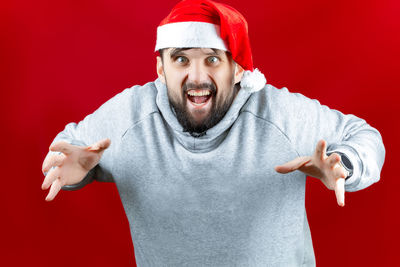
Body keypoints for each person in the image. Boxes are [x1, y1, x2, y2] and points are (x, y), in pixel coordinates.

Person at [41, 0, 385, 266]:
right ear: (160, 68)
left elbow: (364, 136)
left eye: (213, 59)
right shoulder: (129, 116)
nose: (197, 76)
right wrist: (72, 170)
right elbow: (65, 150)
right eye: (181, 60)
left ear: (237, 68)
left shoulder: (278, 113)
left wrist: (346, 162)